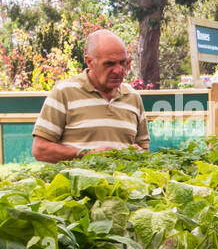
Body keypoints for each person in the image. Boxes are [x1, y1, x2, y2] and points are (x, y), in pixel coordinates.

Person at [32, 30, 149, 163]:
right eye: (109, 64)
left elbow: (144, 150)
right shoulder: (64, 92)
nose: (118, 70)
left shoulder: (133, 97)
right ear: (89, 62)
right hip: (76, 183)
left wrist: (138, 154)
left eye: (123, 63)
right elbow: (40, 150)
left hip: (124, 183)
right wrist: (89, 154)